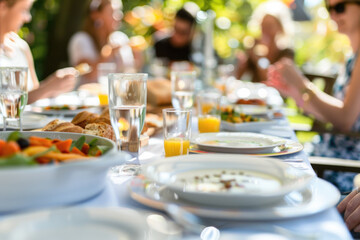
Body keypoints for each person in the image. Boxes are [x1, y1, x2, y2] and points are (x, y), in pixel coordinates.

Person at [267, 0, 360, 192]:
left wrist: (302, 84)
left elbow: (345, 121)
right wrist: (295, 93)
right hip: (324, 153)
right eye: (329, 8)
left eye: (340, 7)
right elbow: (331, 115)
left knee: (268, 168)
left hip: (340, 167)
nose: (333, 15)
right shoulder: (352, 56)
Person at [0, 0, 77, 104]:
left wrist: (54, 87)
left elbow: (34, 97)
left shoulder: (21, 47)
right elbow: (8, 105)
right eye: (24, 10)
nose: (28, 18)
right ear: (2, 7)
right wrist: (47, 88)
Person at [68, 0, 141, 84]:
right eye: (113, 11)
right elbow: (87, 74)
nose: (119, 16)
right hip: (89, 95)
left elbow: (130, 72)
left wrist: (137, 57)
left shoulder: (120, 38)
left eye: (119, 11)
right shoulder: (81, 40)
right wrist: (106, 55)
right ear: (96, 15)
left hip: (116, 94)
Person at [235, 0, 294, 82]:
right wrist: (242, 61)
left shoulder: (286, 53)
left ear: (280, 28)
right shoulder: (255, 48)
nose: (265, 30)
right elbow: (238, 77)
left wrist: (259, 59)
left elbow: (270, 80)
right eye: (263, 25)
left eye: (270, 25)